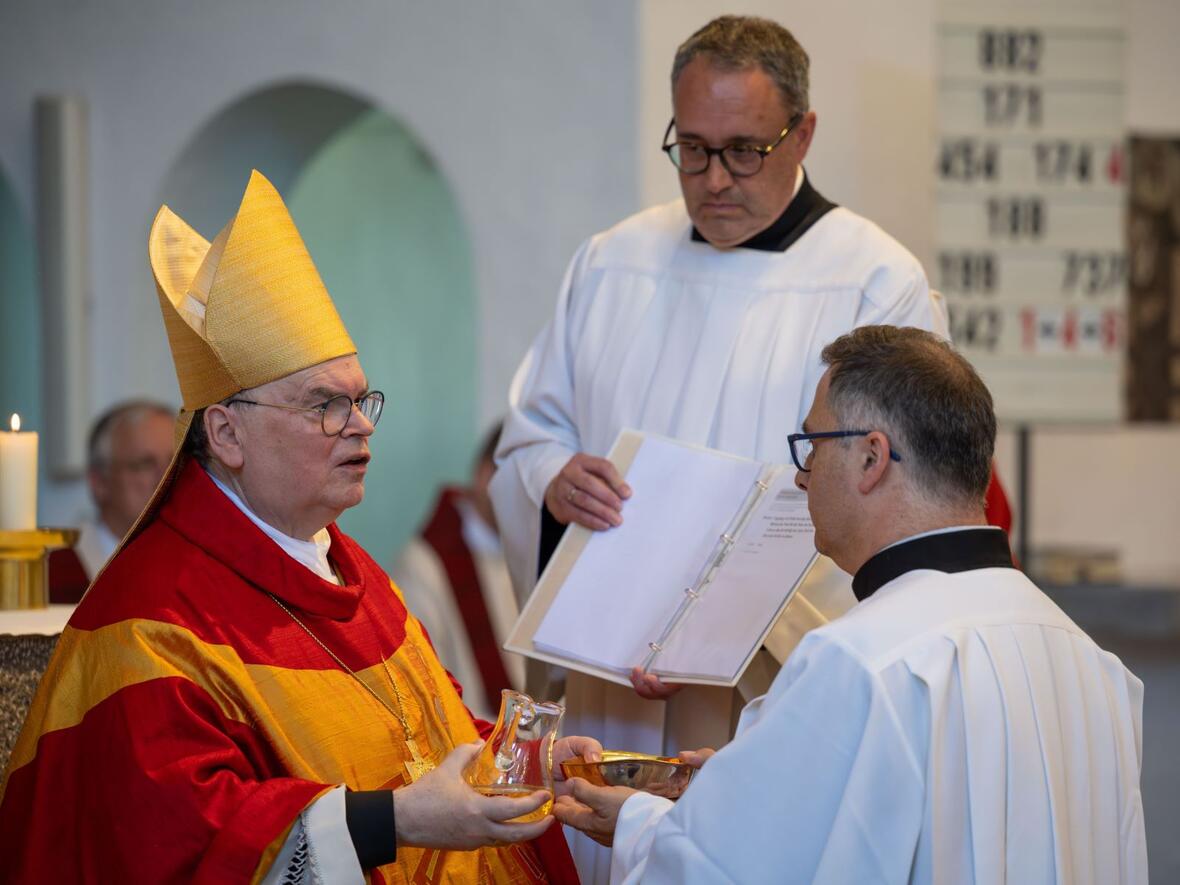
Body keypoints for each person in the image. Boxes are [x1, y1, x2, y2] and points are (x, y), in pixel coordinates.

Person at [0, 171, 595, 883]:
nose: (362, 424)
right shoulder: (151, 623)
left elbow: (427, 735)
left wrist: (520, 760)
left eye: (362, 400)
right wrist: (396, 821)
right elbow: (185, 842)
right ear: (226, 433)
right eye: (325, 406)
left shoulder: (350, 569)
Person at [490, 15, 969, 880]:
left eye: (744, 151)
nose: (713, 179)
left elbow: (897, 503)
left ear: (803, 134)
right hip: (610, 696)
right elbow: (529, 439)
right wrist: (555, 482)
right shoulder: (611, 264)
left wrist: (714, 635)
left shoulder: (875, 280)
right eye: (692, 149)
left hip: (769, 701)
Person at [554, 325, 1147, 884]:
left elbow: (729, 872)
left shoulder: (860, 660)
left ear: (871, 457)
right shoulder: (1094, 663)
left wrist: (637, 821)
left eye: (811, 447)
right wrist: (744, 783)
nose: (801, 478)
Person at [390, 422, 528, 721]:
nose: (533, 499)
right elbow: (423, 687)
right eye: (524, 482)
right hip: (468, 733)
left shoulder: (527, 554)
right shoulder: (426, 566)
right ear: (485, 476)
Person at [48, 400, 174, 602]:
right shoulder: (60, 570)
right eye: (144, 464)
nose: (167, 477)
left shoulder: (205, 560)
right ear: (99, 482)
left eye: (175, 462)